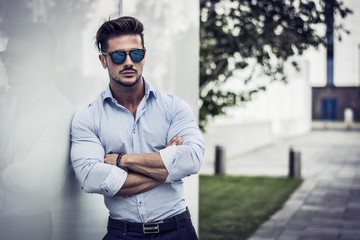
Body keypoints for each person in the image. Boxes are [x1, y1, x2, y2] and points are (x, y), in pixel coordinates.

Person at [70, 16, 204, 239]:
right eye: (119, 55)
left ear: (144, 57)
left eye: (136, 53)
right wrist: (167, 167)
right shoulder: (88, 117)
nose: (129, 62)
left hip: (178, 231)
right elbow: (91, 177)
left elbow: (191, 159)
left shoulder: (174, 108)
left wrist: (121, 161)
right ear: (104, 61)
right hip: (122, 233)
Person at [0, 22, 74, 239]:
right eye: (5, 56)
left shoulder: (62, 112)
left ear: (42, 62)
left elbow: (36, 179)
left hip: (29, 227)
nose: (7, 64)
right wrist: (15, 158)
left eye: (17, 58)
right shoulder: (3, 103)